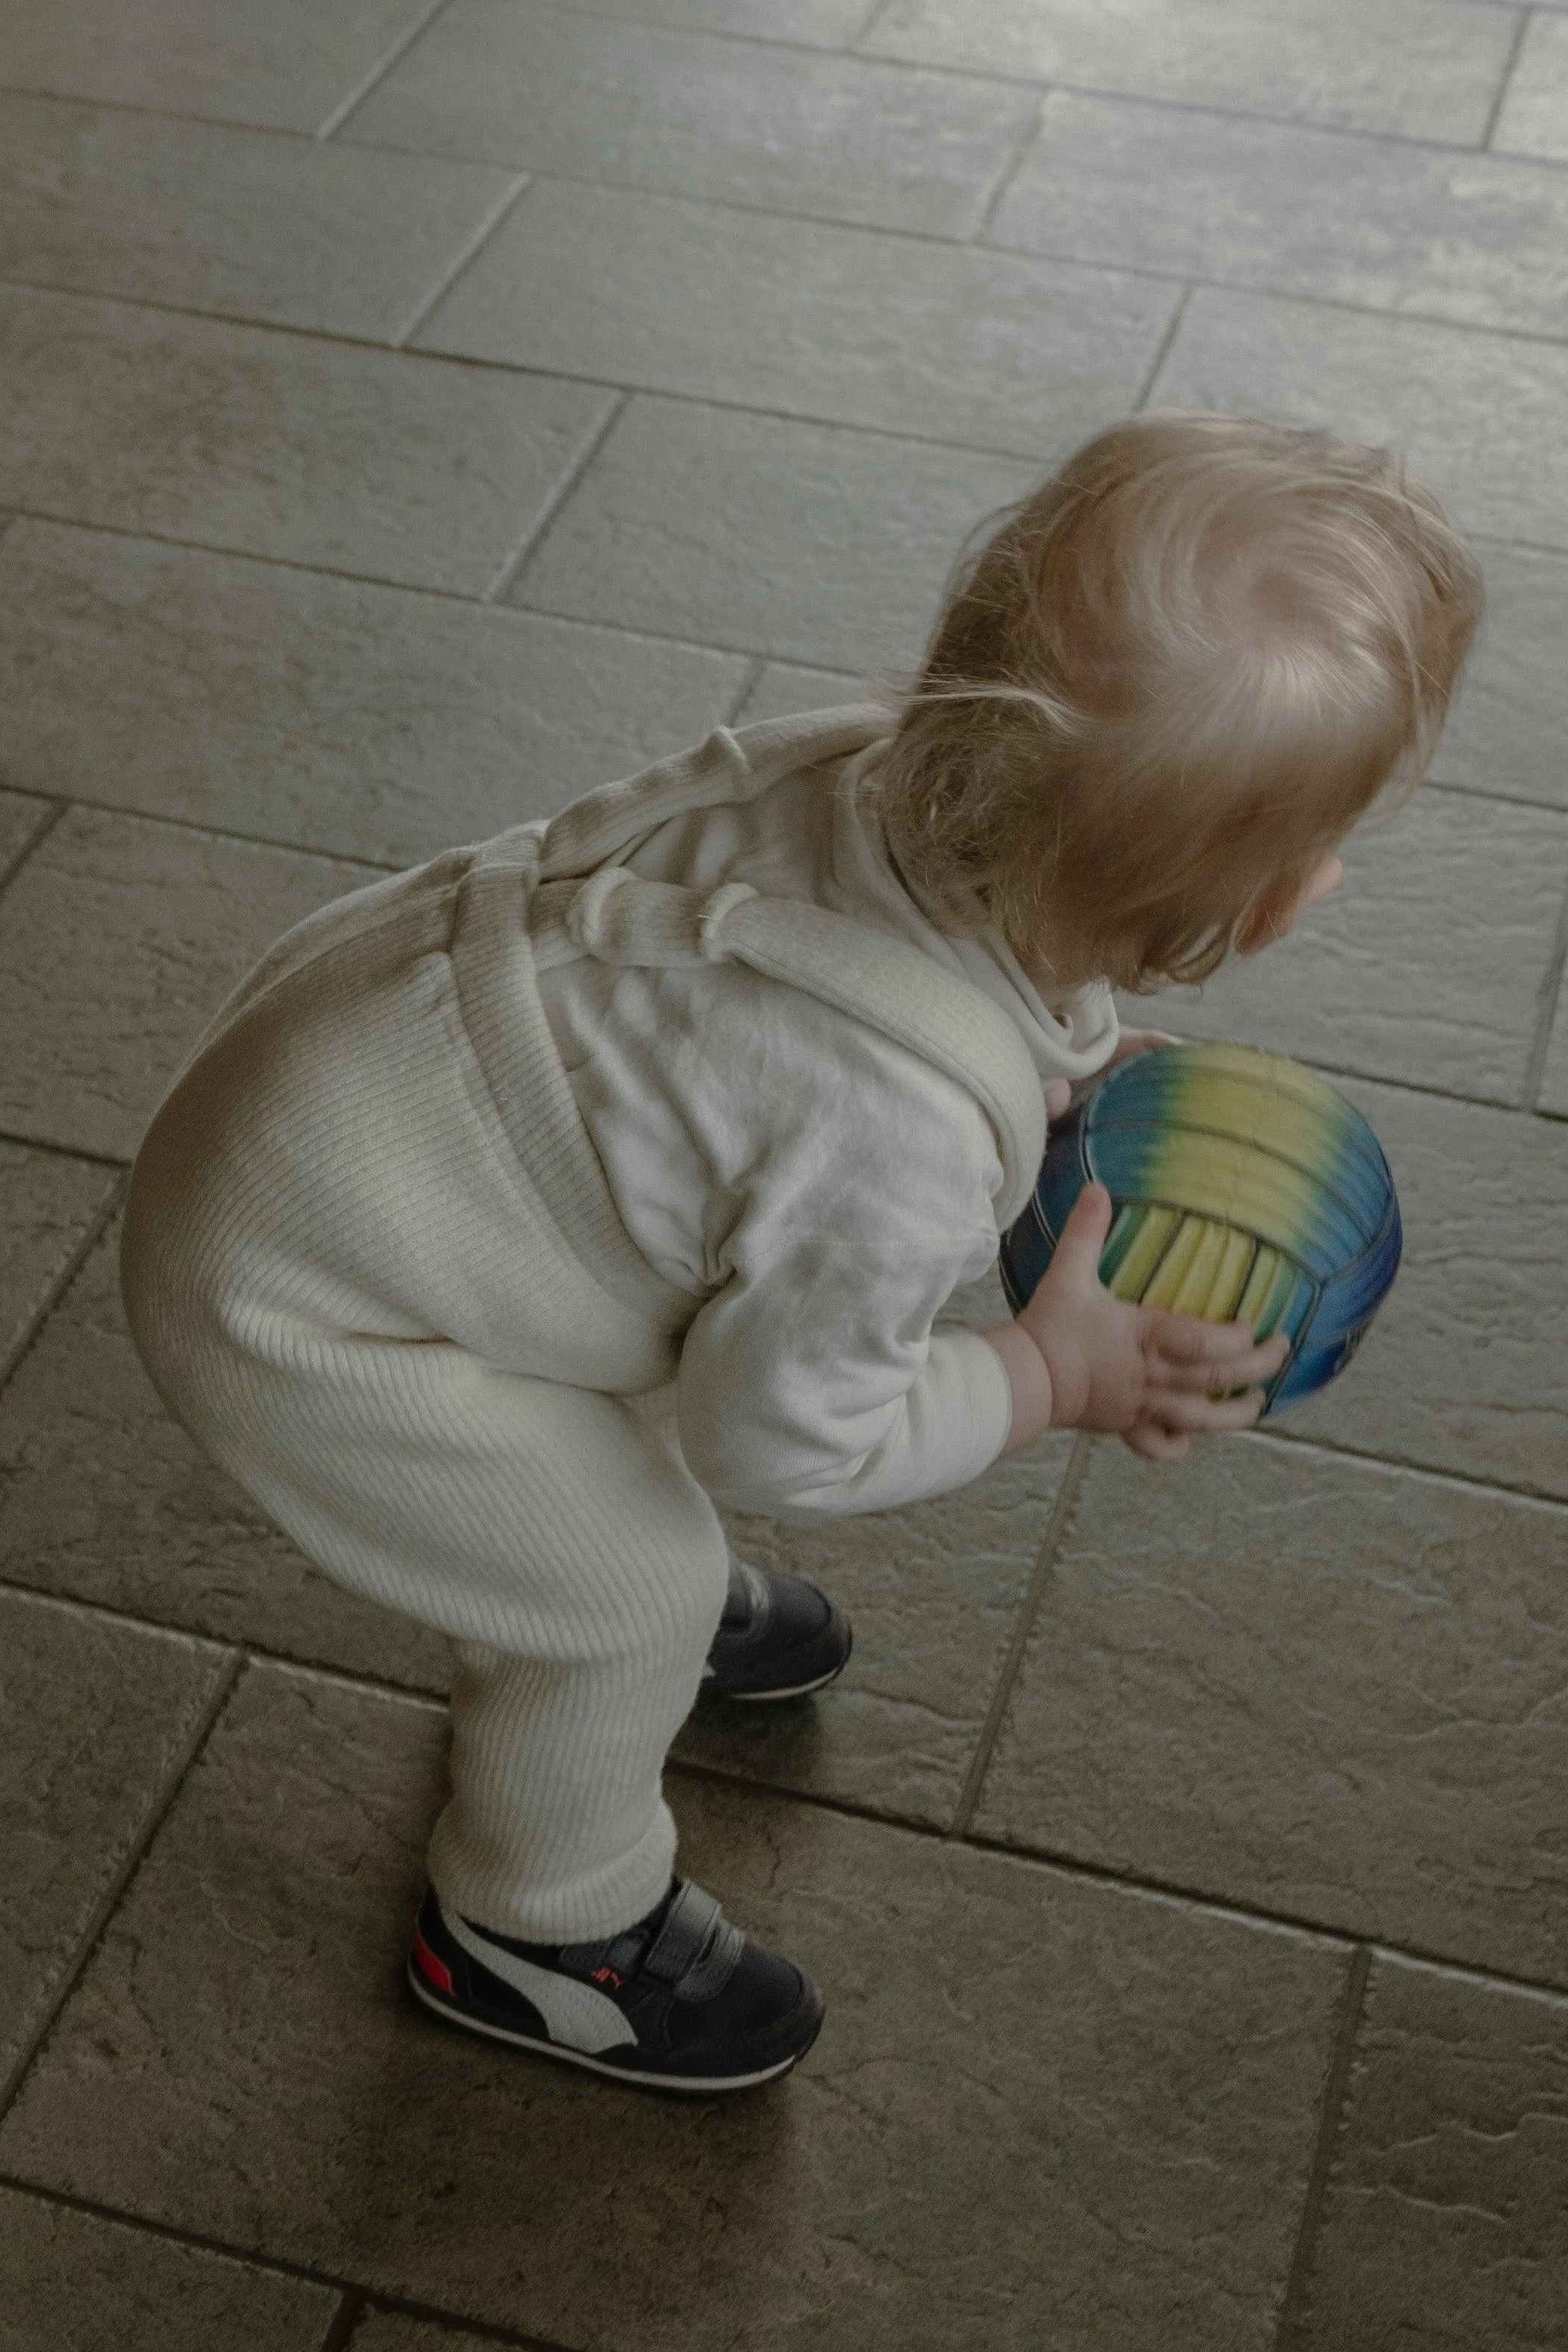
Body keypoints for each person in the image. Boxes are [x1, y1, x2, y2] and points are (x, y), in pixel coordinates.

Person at [120, 415, 1483, 2093]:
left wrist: (1067, 1075)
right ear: (1251, 908)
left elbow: (884, 1037)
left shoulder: (886, 777)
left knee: (647, 1305)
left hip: (368, 1105)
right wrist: (1045, 1374)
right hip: (311, 1306)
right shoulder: (888, 1139)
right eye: (1328, 840)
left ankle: (562, 1570)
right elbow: (772, 1437)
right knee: (627, 1585)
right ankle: (531, 1927)